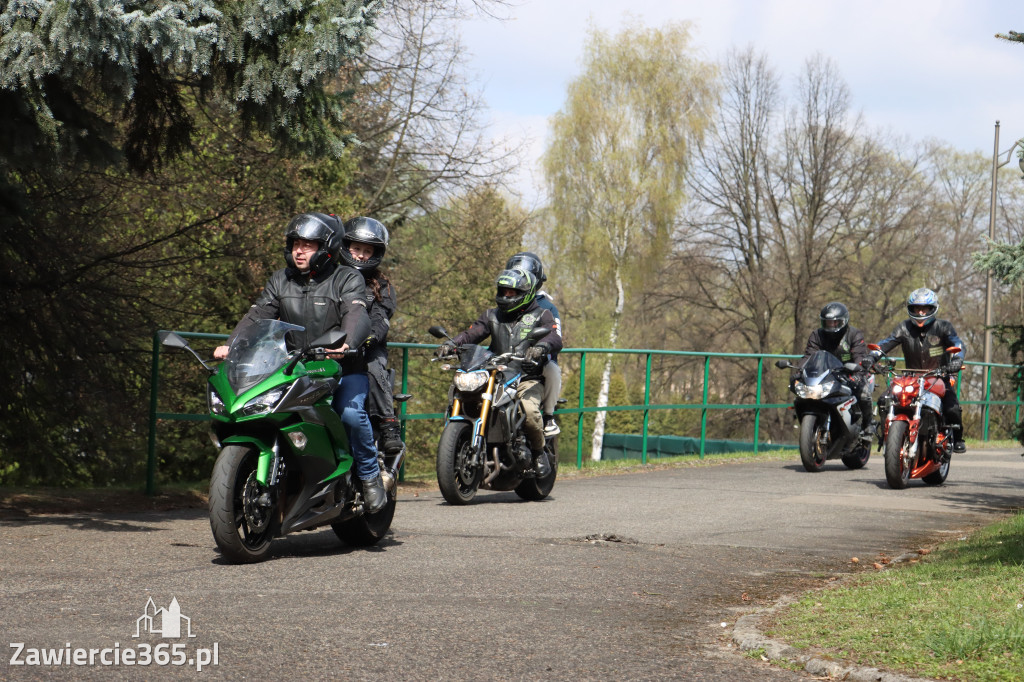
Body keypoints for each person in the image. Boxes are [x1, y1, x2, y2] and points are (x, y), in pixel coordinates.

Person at [213, 212, 387, 512]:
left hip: (342, 368)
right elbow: (258, 315)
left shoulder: (346, 278)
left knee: (349, 413)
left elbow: (357, 314)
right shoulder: (281, 279)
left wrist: (346, 343)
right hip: (294, 369)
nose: (299, 250)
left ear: (327, 247)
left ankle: (370, 477)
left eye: (308, 244)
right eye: (296, 243)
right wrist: (231, 345)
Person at [437, 267, 563, 477]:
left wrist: (541, 347)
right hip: (494, 374)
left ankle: (540, 452)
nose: (506, 296)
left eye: (511, 293)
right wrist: (452, 344)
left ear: (526, 293)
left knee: (530, 412)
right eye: (503, 291)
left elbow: (554, 337)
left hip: (525, 376)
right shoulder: (491, 315)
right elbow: (472, 334)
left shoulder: (542, 314)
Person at [339, 216, 403, 458]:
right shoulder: (329, 277)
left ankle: (388, 425)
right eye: (356, 248)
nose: (361, 255)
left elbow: (381, 316)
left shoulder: (381, 284)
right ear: (345, 247)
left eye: (368, 251)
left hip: (367, 347)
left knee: (374, 367)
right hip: (328, 347)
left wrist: (370, 337)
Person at [875, 287, 967, 454]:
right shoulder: (903, 328)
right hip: (910, 378)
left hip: (938, 376)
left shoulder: (944, 327)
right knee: (884, 401)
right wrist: (870, 357)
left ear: (933, 309)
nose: (920, 312)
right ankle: (886, 435)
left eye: (924, 308)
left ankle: (958, 437)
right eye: (916, 308)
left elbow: (957, 344)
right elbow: (885, 344)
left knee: (952, 407)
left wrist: (957, 359)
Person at [505, 251, 562, 436]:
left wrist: (540, 350)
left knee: (552, 368)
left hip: (536, 362)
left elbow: (556, 337)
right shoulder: (505, 303)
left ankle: (549, 416)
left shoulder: (547, 308)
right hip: (507, 361)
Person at [799, 302, 875, 440]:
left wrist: (858, 372)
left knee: (863, 393)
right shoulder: (817, 335)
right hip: (826, 374)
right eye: (828, 323)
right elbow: (809, 356)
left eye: (835, 323)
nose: (831, 326)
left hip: (850, 374)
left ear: (844, 321)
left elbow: (860, 356)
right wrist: (800, 371)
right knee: (803, 394)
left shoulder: (854, 334)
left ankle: (868, 424)